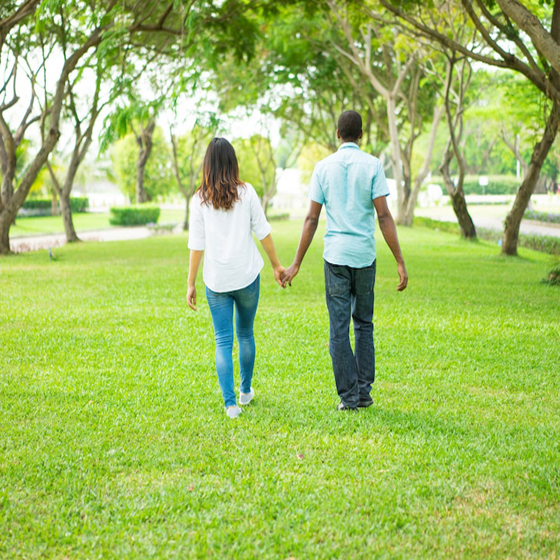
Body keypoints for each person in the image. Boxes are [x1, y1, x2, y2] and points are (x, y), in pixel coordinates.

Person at [281, 110, 408, 411]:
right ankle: (363, 393)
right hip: (364, 257)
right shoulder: (373, 165)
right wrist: (400, 262)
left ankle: (348, 397)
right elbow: (384, 216)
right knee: (364, 324)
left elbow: (311, 219)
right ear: (360, 135)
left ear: (338, 134)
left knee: (338, 329)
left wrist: (296, 264)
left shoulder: (323, 168)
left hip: (335, 257)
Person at [187, 137, 285, 419]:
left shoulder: (199, 200)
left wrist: (191, 283)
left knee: (222, 340)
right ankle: (245, 391)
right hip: (246, 277)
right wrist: (277, 266)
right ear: (233, 163)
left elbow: (197, 245)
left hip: (216, 280)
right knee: (245, 334)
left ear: (207, 165)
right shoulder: (247, 192)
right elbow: (263, 231)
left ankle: (230, 404)